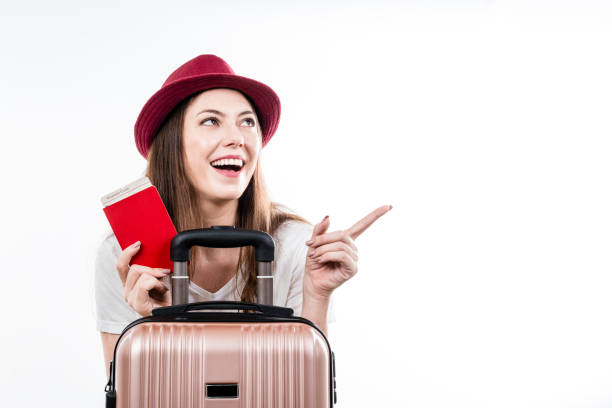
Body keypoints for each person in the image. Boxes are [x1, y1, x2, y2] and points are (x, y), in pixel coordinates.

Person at [94, 54, 392, 376]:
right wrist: (157, 324)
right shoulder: (126, 255)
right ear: (172, 144)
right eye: (211, 121)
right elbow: (126, 397)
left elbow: (306, 392)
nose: (237, 137)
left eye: (247, 121)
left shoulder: (295, 246)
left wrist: (317, 296)